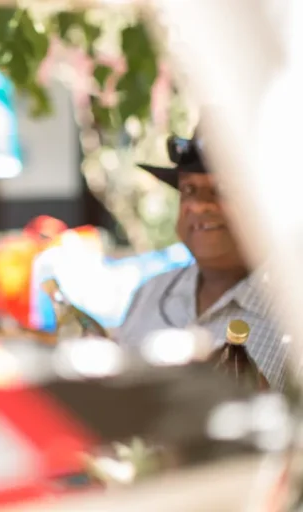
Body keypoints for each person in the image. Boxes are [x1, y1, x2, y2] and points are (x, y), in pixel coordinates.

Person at [119, 125, 288, 388]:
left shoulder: (291, 312)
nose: (198, 205)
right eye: (189, 190)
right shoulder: (149, 294)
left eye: (221, 189)